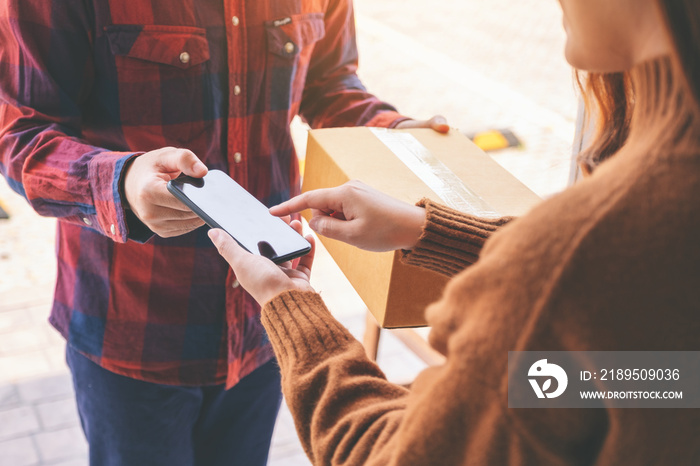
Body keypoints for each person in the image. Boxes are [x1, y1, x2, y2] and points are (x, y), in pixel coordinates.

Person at [208, 0, 700, 464]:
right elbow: (648, 379)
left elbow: (387, 455)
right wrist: (429, 230)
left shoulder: (566, 269)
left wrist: (290, 304)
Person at [0, 0, 447, 464]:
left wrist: (392, 130)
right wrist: (123, 181)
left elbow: (330, 82)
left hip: (266, 317)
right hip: (132, 326)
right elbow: (21, 132)